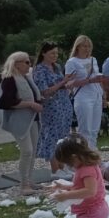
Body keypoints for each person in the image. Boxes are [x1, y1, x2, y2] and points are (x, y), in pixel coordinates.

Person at [0, 52, 43, 195]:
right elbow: (7, 102)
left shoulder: (27, 78)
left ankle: (29, 180)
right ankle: (24, 184)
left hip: (32, 118)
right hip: (20, 120)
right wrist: (31, 104)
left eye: (30, 62)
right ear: (16, 64)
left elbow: (34, 96)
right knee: (27, 151)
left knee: (33, 151)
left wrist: (39, 100)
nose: (30, 65)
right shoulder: (10, 79)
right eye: (26, 62)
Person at [32, 41, 76, 179]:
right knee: (53, 136)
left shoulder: (56, 67)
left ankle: (62, 166)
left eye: (56, 53)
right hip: (51, 107)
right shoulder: (39, 70)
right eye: (52, 53)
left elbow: (59, 86)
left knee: (64, 135)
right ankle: (55, 169)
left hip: (64, 103)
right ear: (43, 53)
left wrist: (67, 84)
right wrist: (63, 82)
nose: (55, 56)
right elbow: (45, 91)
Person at [65, 35, 107, 151]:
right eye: (84, 46)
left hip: (96, 95)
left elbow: (97, 78)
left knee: (95, 129)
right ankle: (84, 155)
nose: (87, 49)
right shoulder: (72, 62)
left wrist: (103, 95)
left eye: (89, 46)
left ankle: (93, 153)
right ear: (77, 47)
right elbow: (68, 83)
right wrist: (88, 80)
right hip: (83, 97)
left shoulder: (93, 60)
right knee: (85, 130)